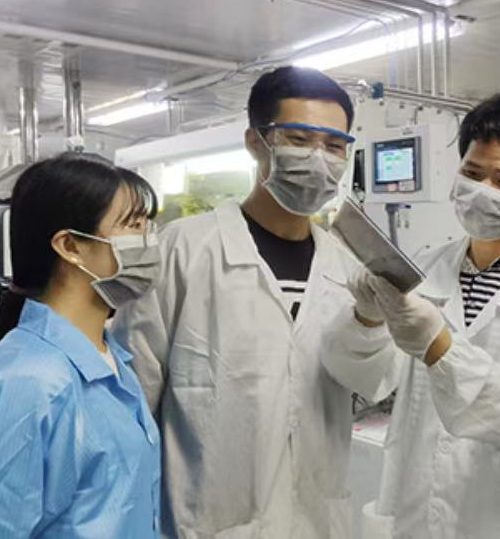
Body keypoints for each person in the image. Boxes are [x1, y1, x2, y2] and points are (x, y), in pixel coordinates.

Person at [114, 66, 398, 538]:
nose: (319, 159)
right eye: (299, 140)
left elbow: (373, 382)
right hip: (206, 522)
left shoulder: (346, 266)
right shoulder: (182, 251)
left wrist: (372, 320)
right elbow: (132, 401)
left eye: (334, 146)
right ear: (255, 142)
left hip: (315, 522)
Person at [325, 93, 500, 538]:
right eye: (472, 174)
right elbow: (370, 379)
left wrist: (440, 347)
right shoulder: (427, 267)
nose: (482, 192)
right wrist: (367, 318)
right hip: (417, 511)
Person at [0, 153, 162, 537]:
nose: (149, 240)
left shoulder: (110, 361)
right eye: (132, 225)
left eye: (148, 225)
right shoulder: (27, 385)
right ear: (70, 246)